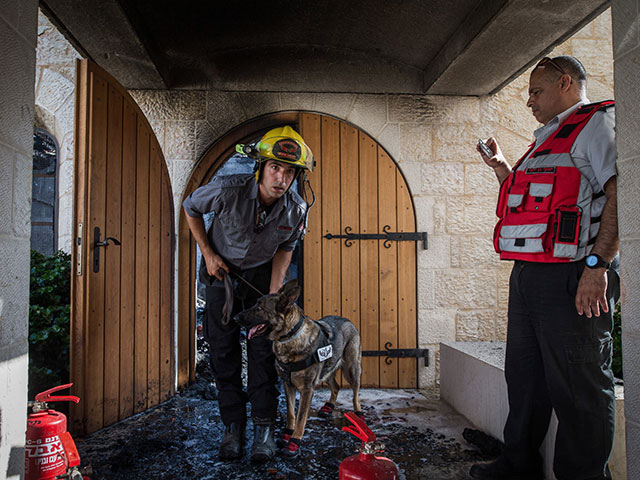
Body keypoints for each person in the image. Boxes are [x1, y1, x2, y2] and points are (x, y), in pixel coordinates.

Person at [471, 56, 620, 480]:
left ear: (566, 83)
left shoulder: (597, 124)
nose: (530, 102)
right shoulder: (547, 139)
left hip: (575, 275)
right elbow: (533, 207)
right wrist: (503, 168)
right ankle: (517, 465)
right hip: (530, 276)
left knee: (580, 387)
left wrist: (598, 265)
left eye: (536, 92)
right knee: (525, 379)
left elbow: (623, 192)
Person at [182, 126, 314, 462]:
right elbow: (190, 207)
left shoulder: (296, 209)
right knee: (223, 354)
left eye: (288, 172)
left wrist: (275, 289)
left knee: (262, 355)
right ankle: (233, 428)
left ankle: (264, 430)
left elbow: (287, 246)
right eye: (274, 168)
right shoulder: (227, 189)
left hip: (260, 277)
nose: (280, 178)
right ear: (261, 168)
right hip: (220, 274)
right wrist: (208, 255)